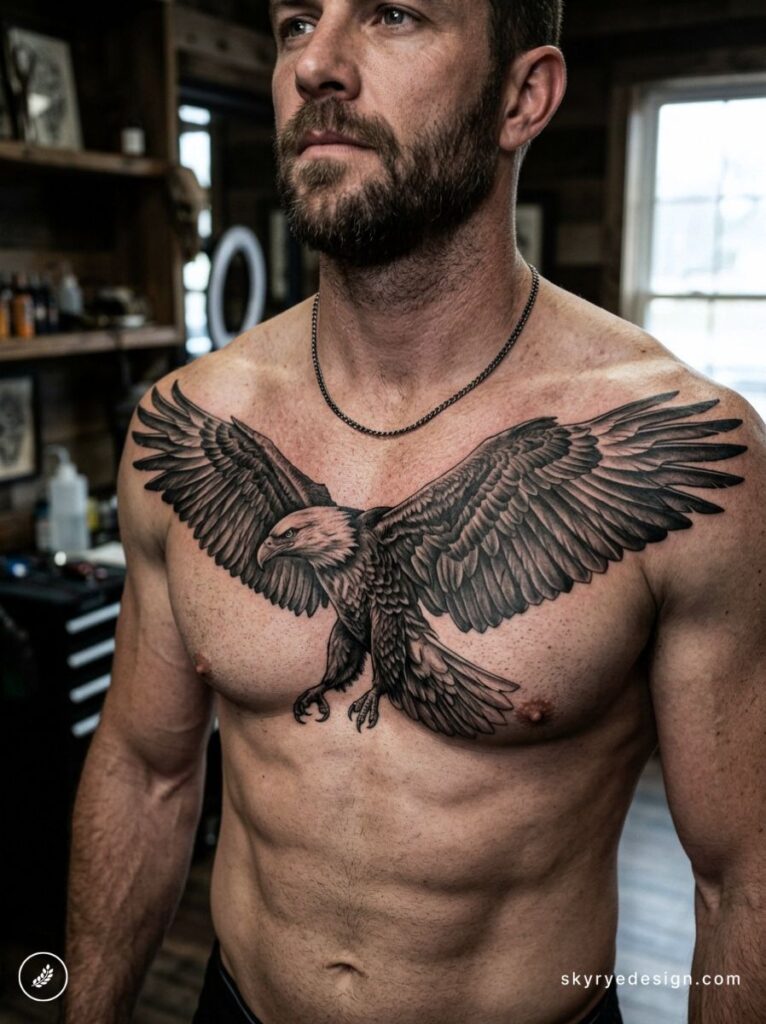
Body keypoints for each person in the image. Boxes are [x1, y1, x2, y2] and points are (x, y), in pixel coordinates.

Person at [64, 1, 766, 1022]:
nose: (318, 63)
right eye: (296, 20)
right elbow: (144, 769)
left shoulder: (684, 446)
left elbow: (740, 874)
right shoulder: (188, 419)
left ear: (522, 97)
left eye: (393, 14)